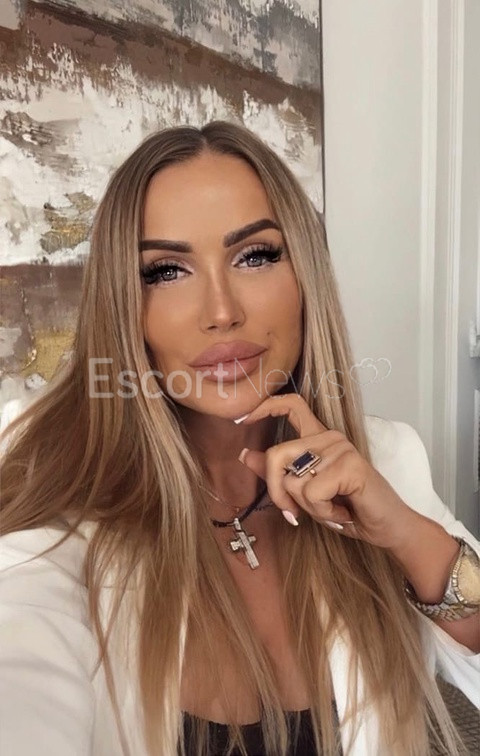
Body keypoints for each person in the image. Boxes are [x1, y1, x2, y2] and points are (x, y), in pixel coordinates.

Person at [0, 121, 479, 756]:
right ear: (122, 306)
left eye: (255, 256)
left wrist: (407, 534)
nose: (222, 311)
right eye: (166, 270)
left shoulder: (385, 460)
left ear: (305, 276)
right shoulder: (56, 508)